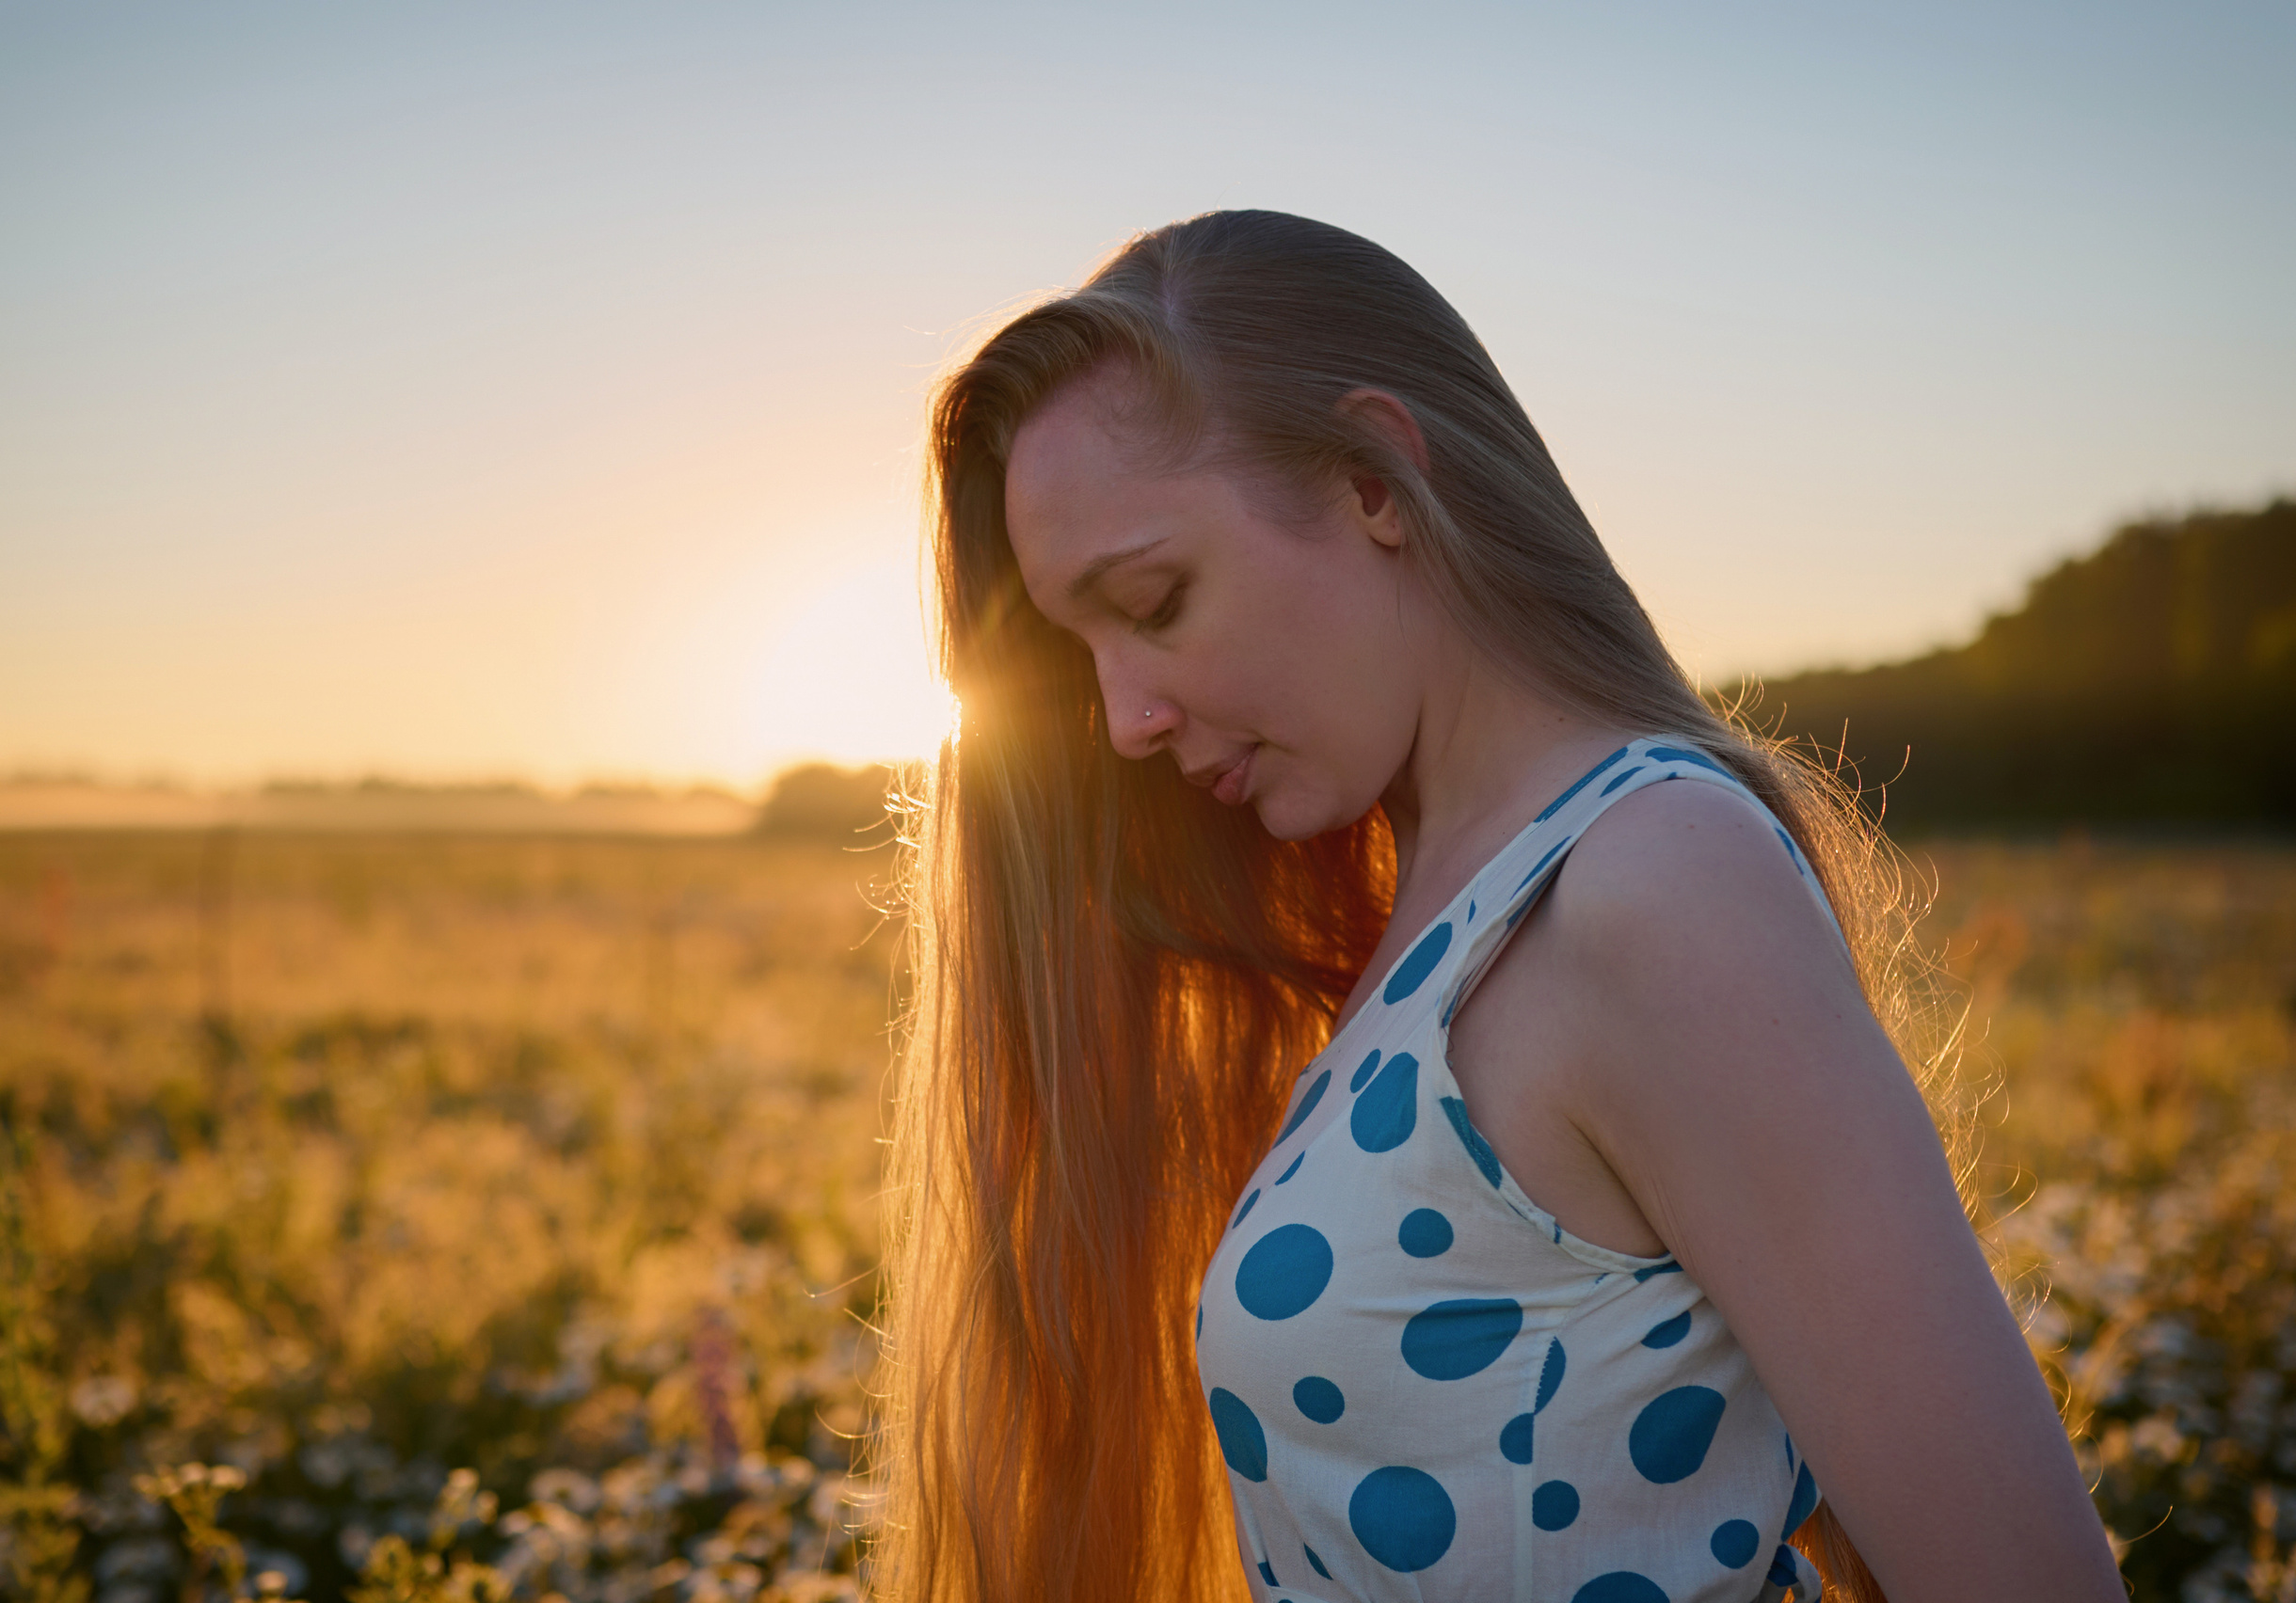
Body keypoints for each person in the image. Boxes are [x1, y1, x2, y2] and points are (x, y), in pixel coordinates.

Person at [870, 210, 2123, 1603]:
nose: (1123, 721)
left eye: (1154, 602)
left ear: (1375, 484)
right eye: (1080, 649)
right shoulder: (1441, 917)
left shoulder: (1652, 882)